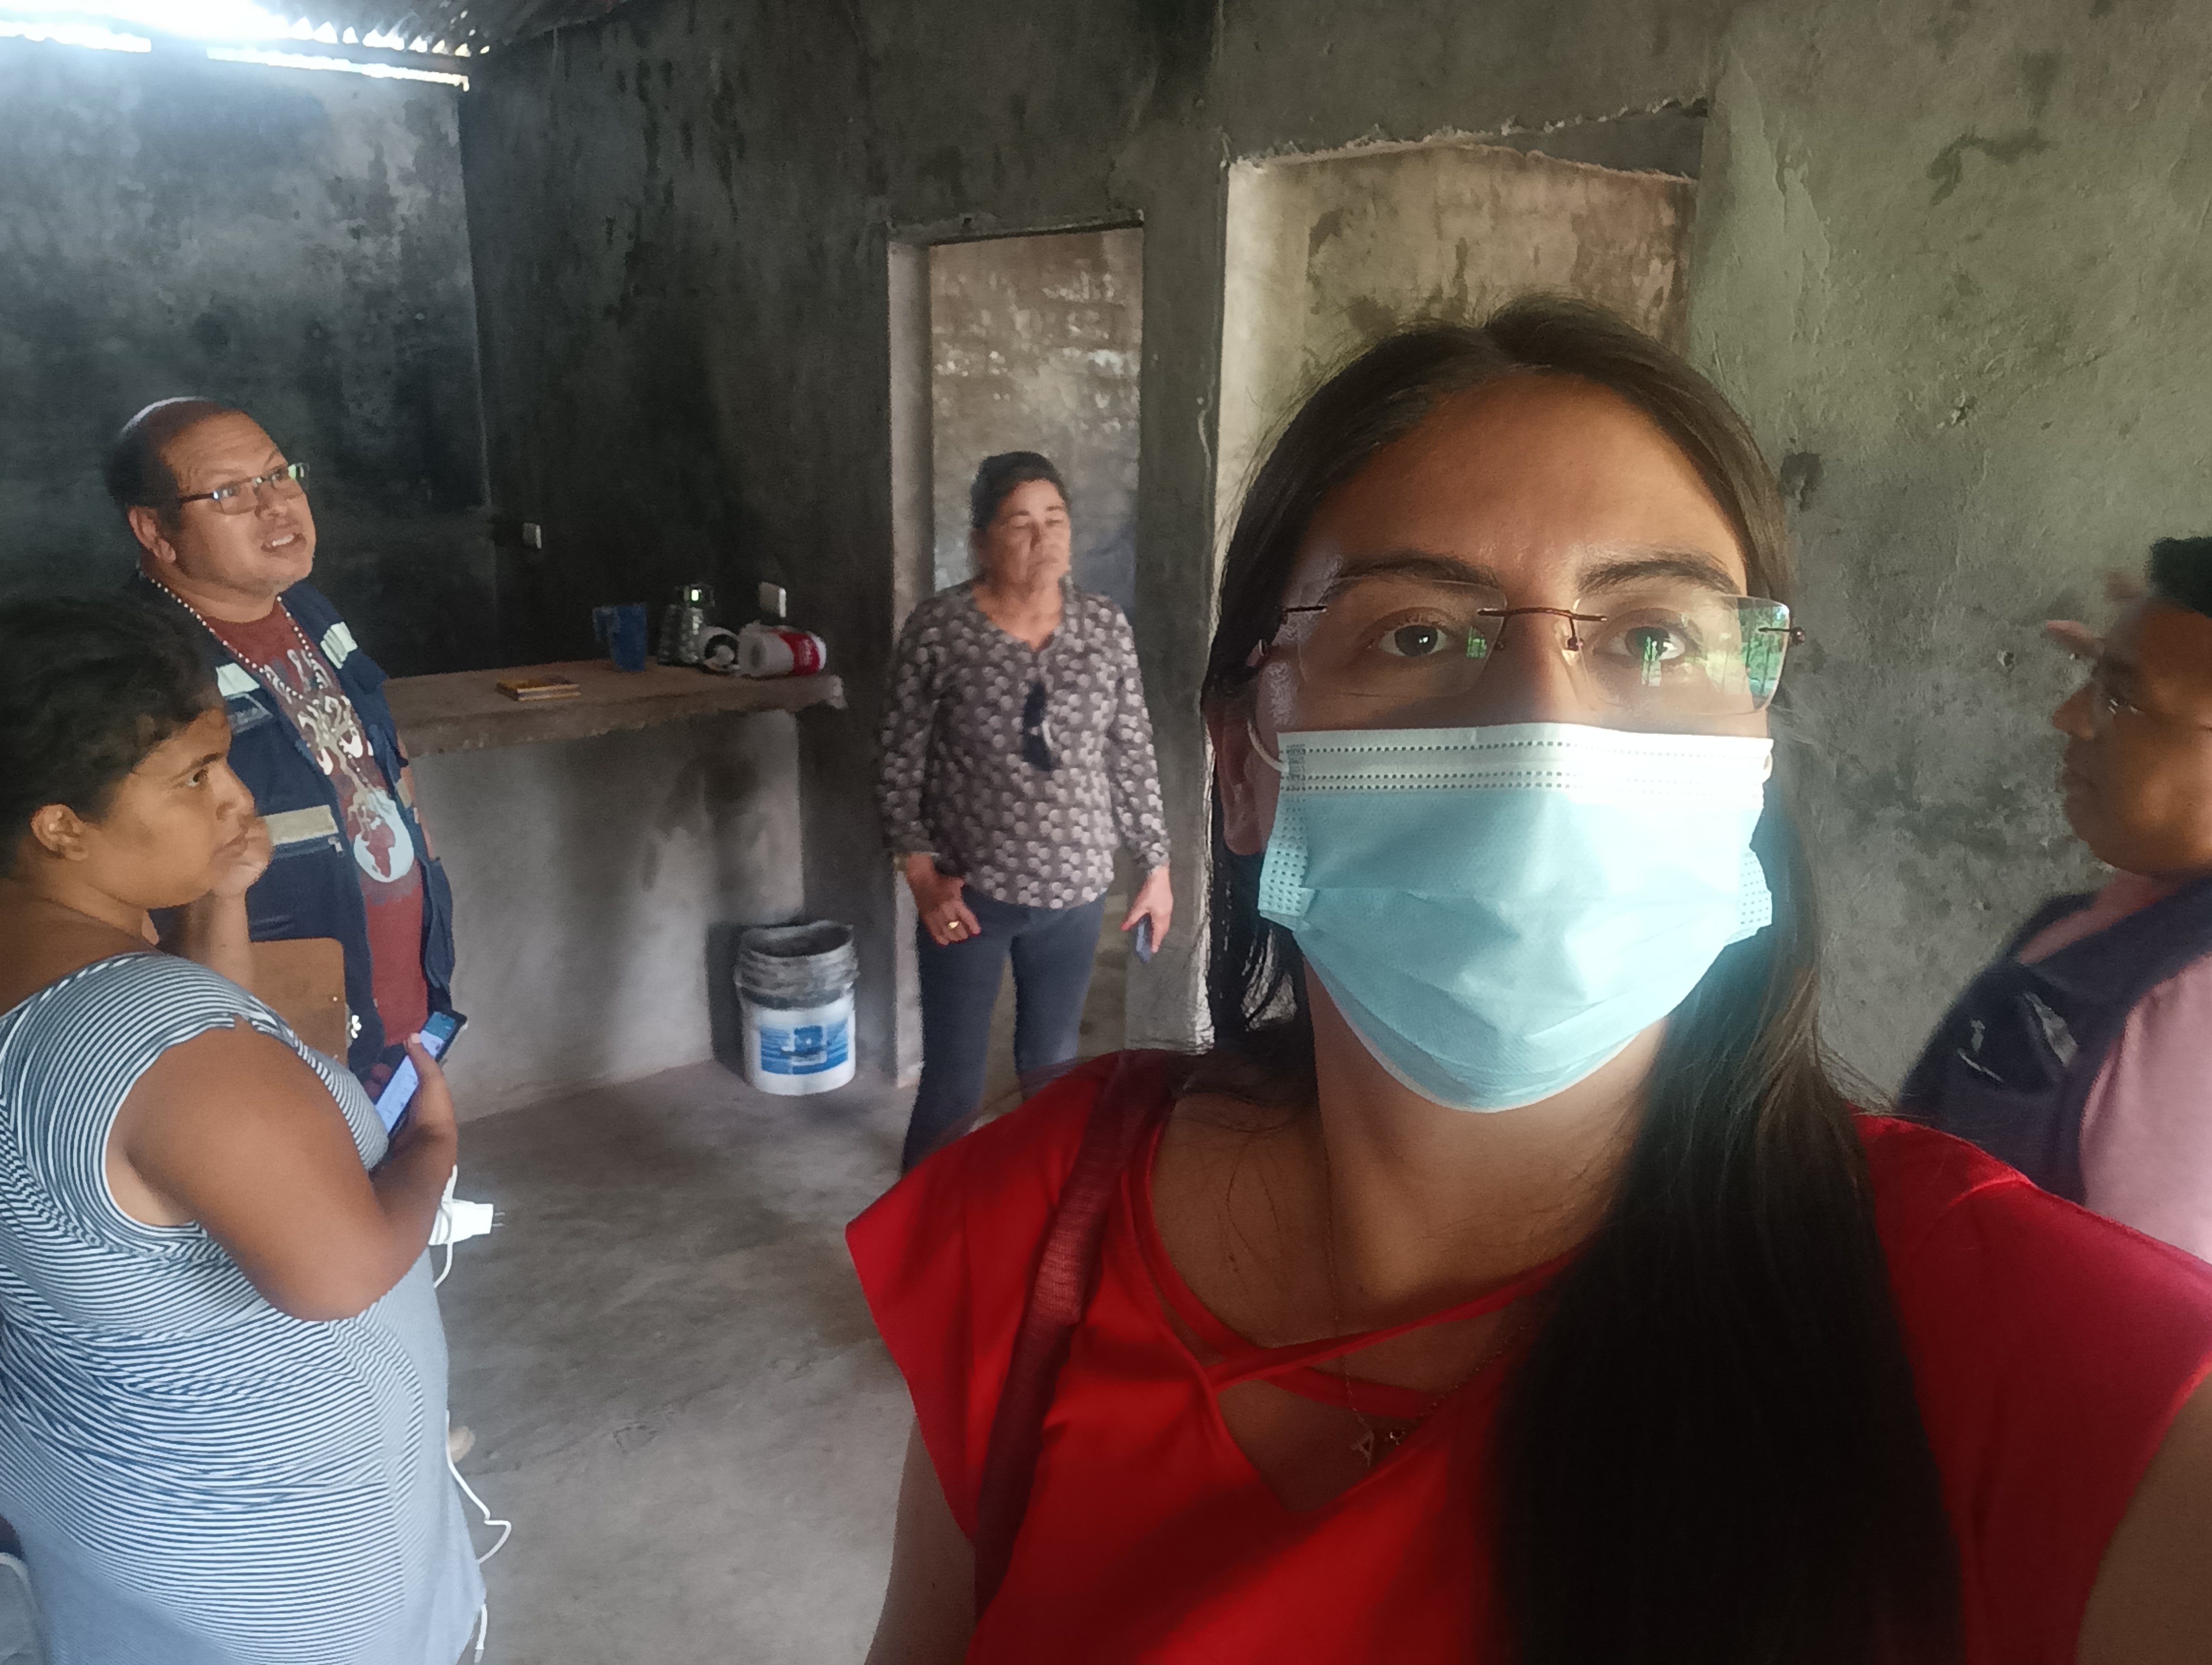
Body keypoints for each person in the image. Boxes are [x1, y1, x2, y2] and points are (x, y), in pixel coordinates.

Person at [849, 301, 2212, 1664]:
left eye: (1654, 640)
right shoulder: (1041, 1229)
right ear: (1248, 762)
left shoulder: (2039, 1367)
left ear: (1755, 745)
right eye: (1417, 635)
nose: (1546, 732)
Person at [0, 598, 481, 1662]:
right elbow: (337, 1275)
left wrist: (218, 899)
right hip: (277, 1566)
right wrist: (426, 1158)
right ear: (60, 825)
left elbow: (168, 1112)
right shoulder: (161, 1042)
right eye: (194, 777)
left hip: (109, 1516)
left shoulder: (67, 987)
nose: (236, 797)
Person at [111, 397, 455, 1087]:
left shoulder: (305, 609)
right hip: (275, 1037)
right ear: (154, 530)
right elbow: (121, 901)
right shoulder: (135, 669)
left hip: (400, 1002)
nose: (276, 506)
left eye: (278, 474)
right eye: (230, 492)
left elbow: (375, 760)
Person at [1900, 540, 2212, 1257]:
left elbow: (2130, 1309)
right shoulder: (2132, 912)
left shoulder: (2193, 1004)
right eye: (2095, 675)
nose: (2069, 717)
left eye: (2119, 697)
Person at [877, 451, 1172, 1170]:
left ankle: (1037, 1216)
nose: (1043, 538)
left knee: (1051, 1071)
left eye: (1055, 520)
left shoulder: (1104, 626)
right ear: (981, 542)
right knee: (953, 1084)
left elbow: (1131, 750)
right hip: (969, 897)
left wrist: (1156, 866)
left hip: (1076, 895)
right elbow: (897, 760)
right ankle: (924, 1227)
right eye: (1020, 523)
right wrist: (921, 876)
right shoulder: (940, 630)